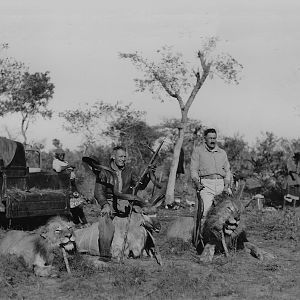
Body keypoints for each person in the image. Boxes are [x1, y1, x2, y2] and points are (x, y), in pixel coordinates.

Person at [94, 145, 158, 262]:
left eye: (124, 156)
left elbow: (139, 185)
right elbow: (98, 192)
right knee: (105, 221)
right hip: (109, 202)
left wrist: (148, 175)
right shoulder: (104, 171)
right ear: (113, 157)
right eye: (120, 156)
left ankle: (147, 247)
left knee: (144, 218)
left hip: (126, 201)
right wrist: (105, 205)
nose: (123, 159)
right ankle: (105, 255)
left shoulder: (129, 171)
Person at [190, 128, 232, 217]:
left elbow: (227, 171)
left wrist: (226, 186)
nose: (213, 141)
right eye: (210, 138)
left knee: (224, 213)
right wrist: (197, 183)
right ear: (205, 139)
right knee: (205, 213)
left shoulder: (222, 153)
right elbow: (193, 170)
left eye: (214, 138)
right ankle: (202, 230)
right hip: (206, 184)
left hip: (221, 184)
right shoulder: (198, 151)